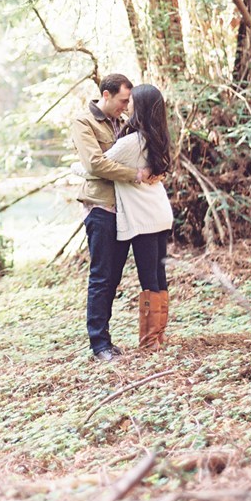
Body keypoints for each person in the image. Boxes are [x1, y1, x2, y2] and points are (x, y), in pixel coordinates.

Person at [69, 73, 148, 361]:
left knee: (114, 277)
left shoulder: (123, 124)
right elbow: (95, 163)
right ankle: (99, 345)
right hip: (100, 207)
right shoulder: (84, 123)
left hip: (126, 208)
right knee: (102, 276)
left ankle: (106, 340)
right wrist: (136, 175)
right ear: (106, 94)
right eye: (123, 101)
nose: (126, 107)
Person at [103, 84, 174, 350]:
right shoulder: (157, 137)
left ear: (141, 106)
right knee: (159, 272)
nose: (127, 104)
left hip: (143, 218)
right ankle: (159, 335)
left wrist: (75, 166)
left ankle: (149, 341)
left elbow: (95, 166)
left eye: (131, 101)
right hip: (159, 212)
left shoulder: (131, 142)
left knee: (149, 278)